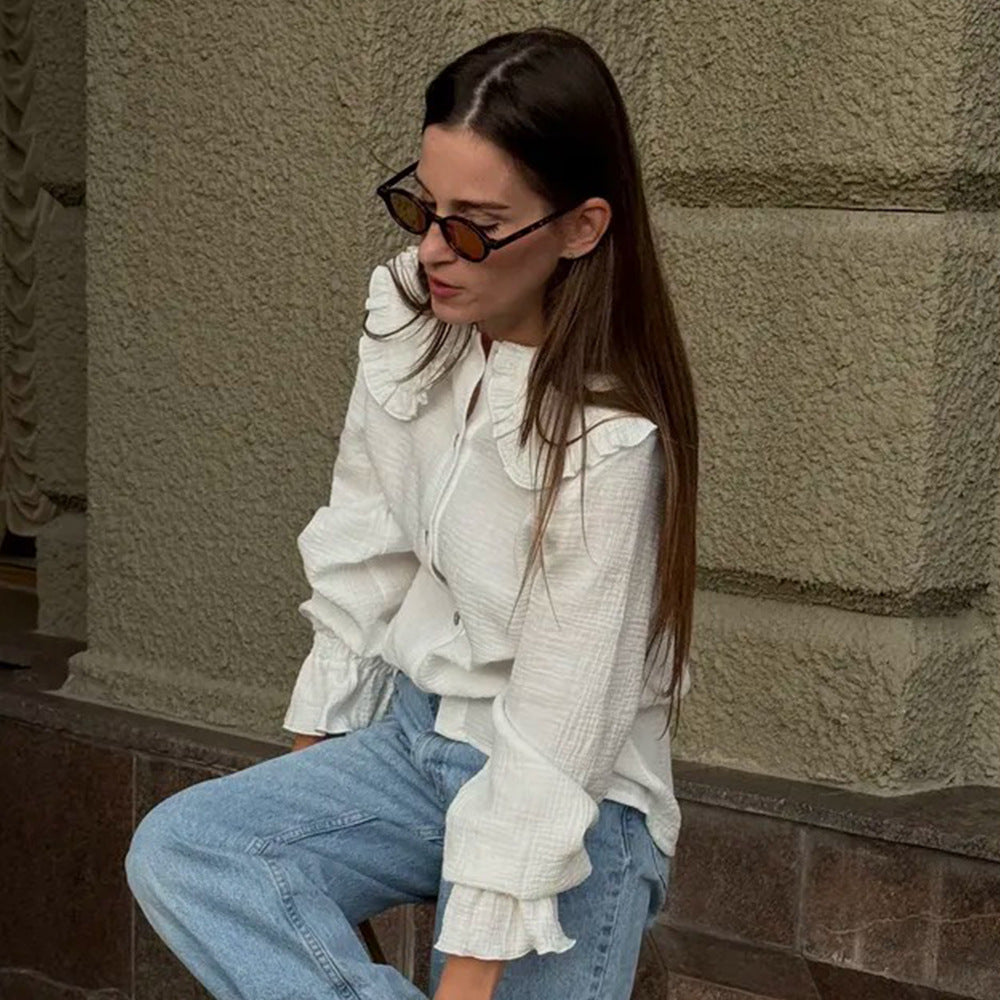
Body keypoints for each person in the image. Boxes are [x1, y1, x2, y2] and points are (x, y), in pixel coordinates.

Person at [125, 24, 698, 1000]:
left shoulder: (605, 443)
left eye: (475, 225)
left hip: (571, 809)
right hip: (413, 744)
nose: (434, 250)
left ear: (581, 228)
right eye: (423, 208)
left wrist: (463, 982)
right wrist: (305, 799)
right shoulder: (411, 322)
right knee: (190, 850)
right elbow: (366, 550)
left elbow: (556, 740)